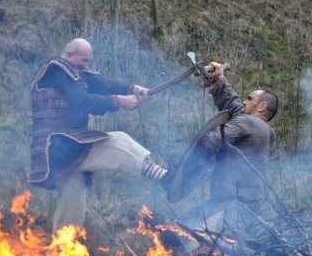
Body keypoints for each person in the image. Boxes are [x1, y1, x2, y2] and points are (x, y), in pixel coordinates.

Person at [28, 38, 168, 231]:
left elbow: (104, 84)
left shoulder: (76, 71)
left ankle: (61, 254)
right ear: (69, 55)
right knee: (117, 142)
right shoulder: (58, 69)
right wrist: (120, 101)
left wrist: (133, 89)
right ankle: (164, 177)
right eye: (84, 60)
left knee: (73, 201)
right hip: (58, 146)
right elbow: (82, 101)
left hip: (65, 145)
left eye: (88, 61)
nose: (86, 66)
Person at [175, 62, 279, 237]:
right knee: (182, 225)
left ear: (262, 107)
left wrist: (191, 166)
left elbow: (214, 139)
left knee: (187, 240)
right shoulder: (260, 129)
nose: (245, 101)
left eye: (250, 99)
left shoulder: (249, 123)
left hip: (232, 209)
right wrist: (220, 80)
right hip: (237, 207)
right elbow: (235, 108)